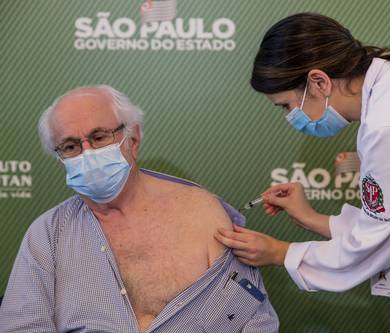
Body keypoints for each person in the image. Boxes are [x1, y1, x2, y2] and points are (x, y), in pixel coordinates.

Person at [215, 12, 390, 332]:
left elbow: (377, 242)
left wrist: (281, 253)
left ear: (319, 82)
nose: (290, 117)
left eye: (286, 105)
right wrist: (310, 218)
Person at [0, 85, 279, 333]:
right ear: (60, 159)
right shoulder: (49, 235)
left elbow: (255, 319)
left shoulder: (202, 212)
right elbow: (22, 325)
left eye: (99, 138)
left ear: (133, 140)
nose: (87, 154)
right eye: (71, 146)